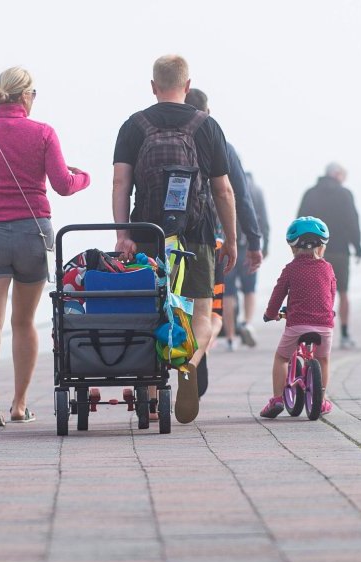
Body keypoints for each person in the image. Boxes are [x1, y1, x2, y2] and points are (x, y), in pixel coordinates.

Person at [112, 55, 238, 424]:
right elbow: (224, 190)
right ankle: (190, 363)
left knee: (151, 308)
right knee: (201, 309)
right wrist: (229, 239)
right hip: (196, 232)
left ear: (153, 86)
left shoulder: (133, 126)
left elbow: (121, 183)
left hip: (147, 234)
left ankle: (151, 394)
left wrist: (123, 235)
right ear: (187, 85)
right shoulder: (207, 125)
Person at [0, 66, 90, 426]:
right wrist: (84, 177)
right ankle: (19, 405)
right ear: (25, 96)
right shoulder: (43, 133)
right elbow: (64, 185)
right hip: (32, 234)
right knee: (23, 323)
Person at [183, 87, 263, 395]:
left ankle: (152, 392)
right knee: (208, 312)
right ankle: (195, 357)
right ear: (207, 112)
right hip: (207, 238)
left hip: (161, 237)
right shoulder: (221, 144)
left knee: (169, 305)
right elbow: (236, 194)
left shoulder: (153, 134)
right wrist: (250, 241)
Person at [259, 217, 336, 418]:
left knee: (282, 358)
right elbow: (331, 293)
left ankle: (277, 399)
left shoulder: (290, 269)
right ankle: (323, 399)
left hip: (297, 325)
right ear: (321, 247)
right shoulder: (327, 268)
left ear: (293, 248)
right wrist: (329, 311)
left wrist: (270, 314)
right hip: (324, 325)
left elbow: (278, 294)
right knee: (323, 359)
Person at [298, 163, 361, 348]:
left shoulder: (310, 193)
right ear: (336, 174)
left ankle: (314, 332)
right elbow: (353, 221)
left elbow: (300, 220)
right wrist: (357, 247)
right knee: (343, 292)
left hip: (314, 250)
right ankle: (345, 334)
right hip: (341, 250)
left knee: (315, 293)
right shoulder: (344, 194)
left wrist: (301, 248)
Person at [226, 171, 271, 348]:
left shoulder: (222, 184)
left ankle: (230, 337)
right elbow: (264, 221)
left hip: (227, 246)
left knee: (227, 292)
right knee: (249, 288)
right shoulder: (256, 190)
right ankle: (246, 322)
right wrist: (263, 245)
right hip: (248, 246)